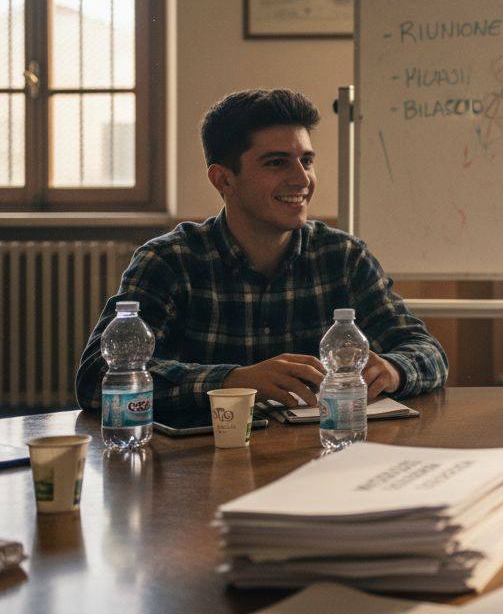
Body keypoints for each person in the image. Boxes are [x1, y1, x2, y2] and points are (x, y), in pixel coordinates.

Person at [76, 89, 449, 415]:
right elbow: (97, 378)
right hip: (204, 462)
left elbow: (427, 350)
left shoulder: (343, 257)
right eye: (277, 162)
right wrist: (233, 382)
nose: (302, 179)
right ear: (224, 179)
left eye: (306, 160)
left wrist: (393, 370)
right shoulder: (170, 262)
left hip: (321, 456)